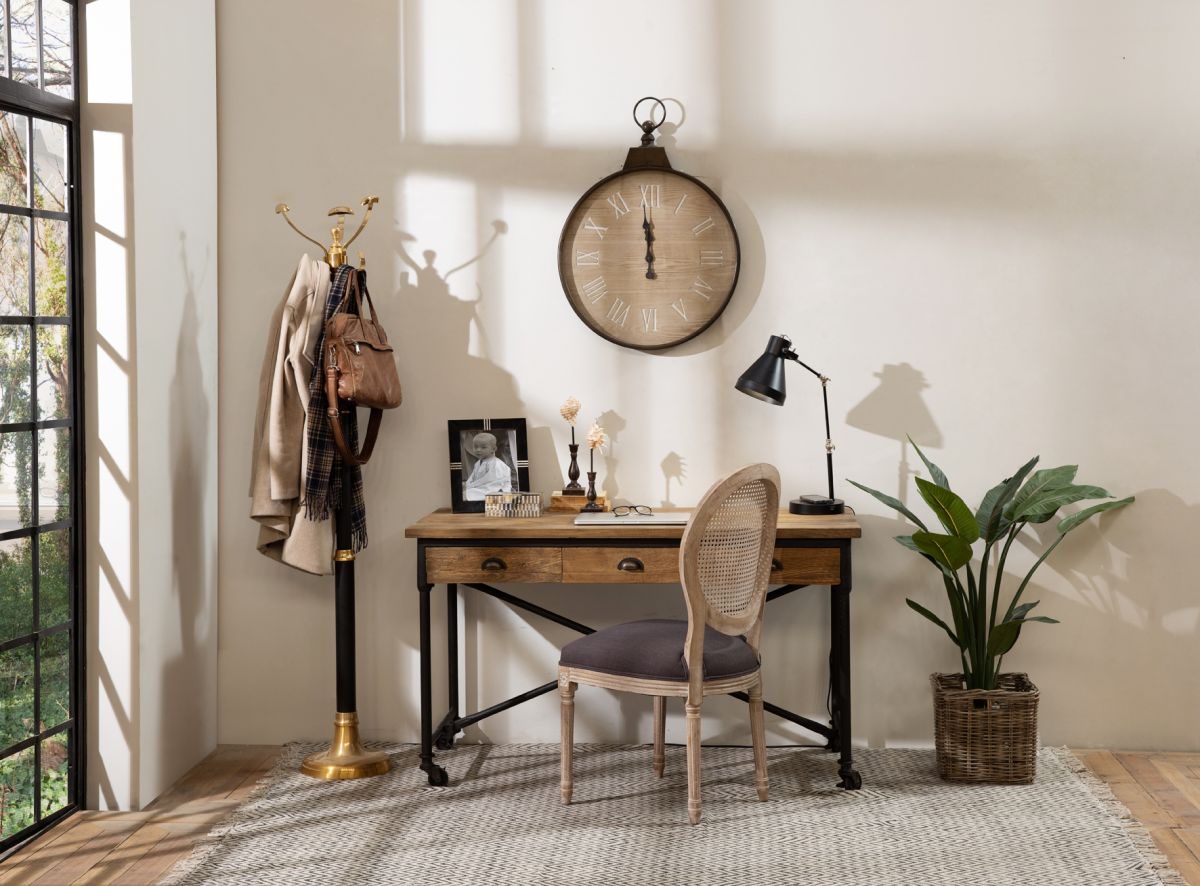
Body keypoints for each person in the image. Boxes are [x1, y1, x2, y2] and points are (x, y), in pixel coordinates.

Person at [464, 432, 512, 500]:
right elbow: (472, 477)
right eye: (475, 447)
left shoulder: (497, 464)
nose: (478, 450)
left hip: (496, 489)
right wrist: (468, 484)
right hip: (483, 487)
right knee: (466, 491)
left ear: (493, 449)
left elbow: (491, 481)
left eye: (483, 447)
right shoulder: (478, 463)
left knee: (467, 494)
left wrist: (473, 486)